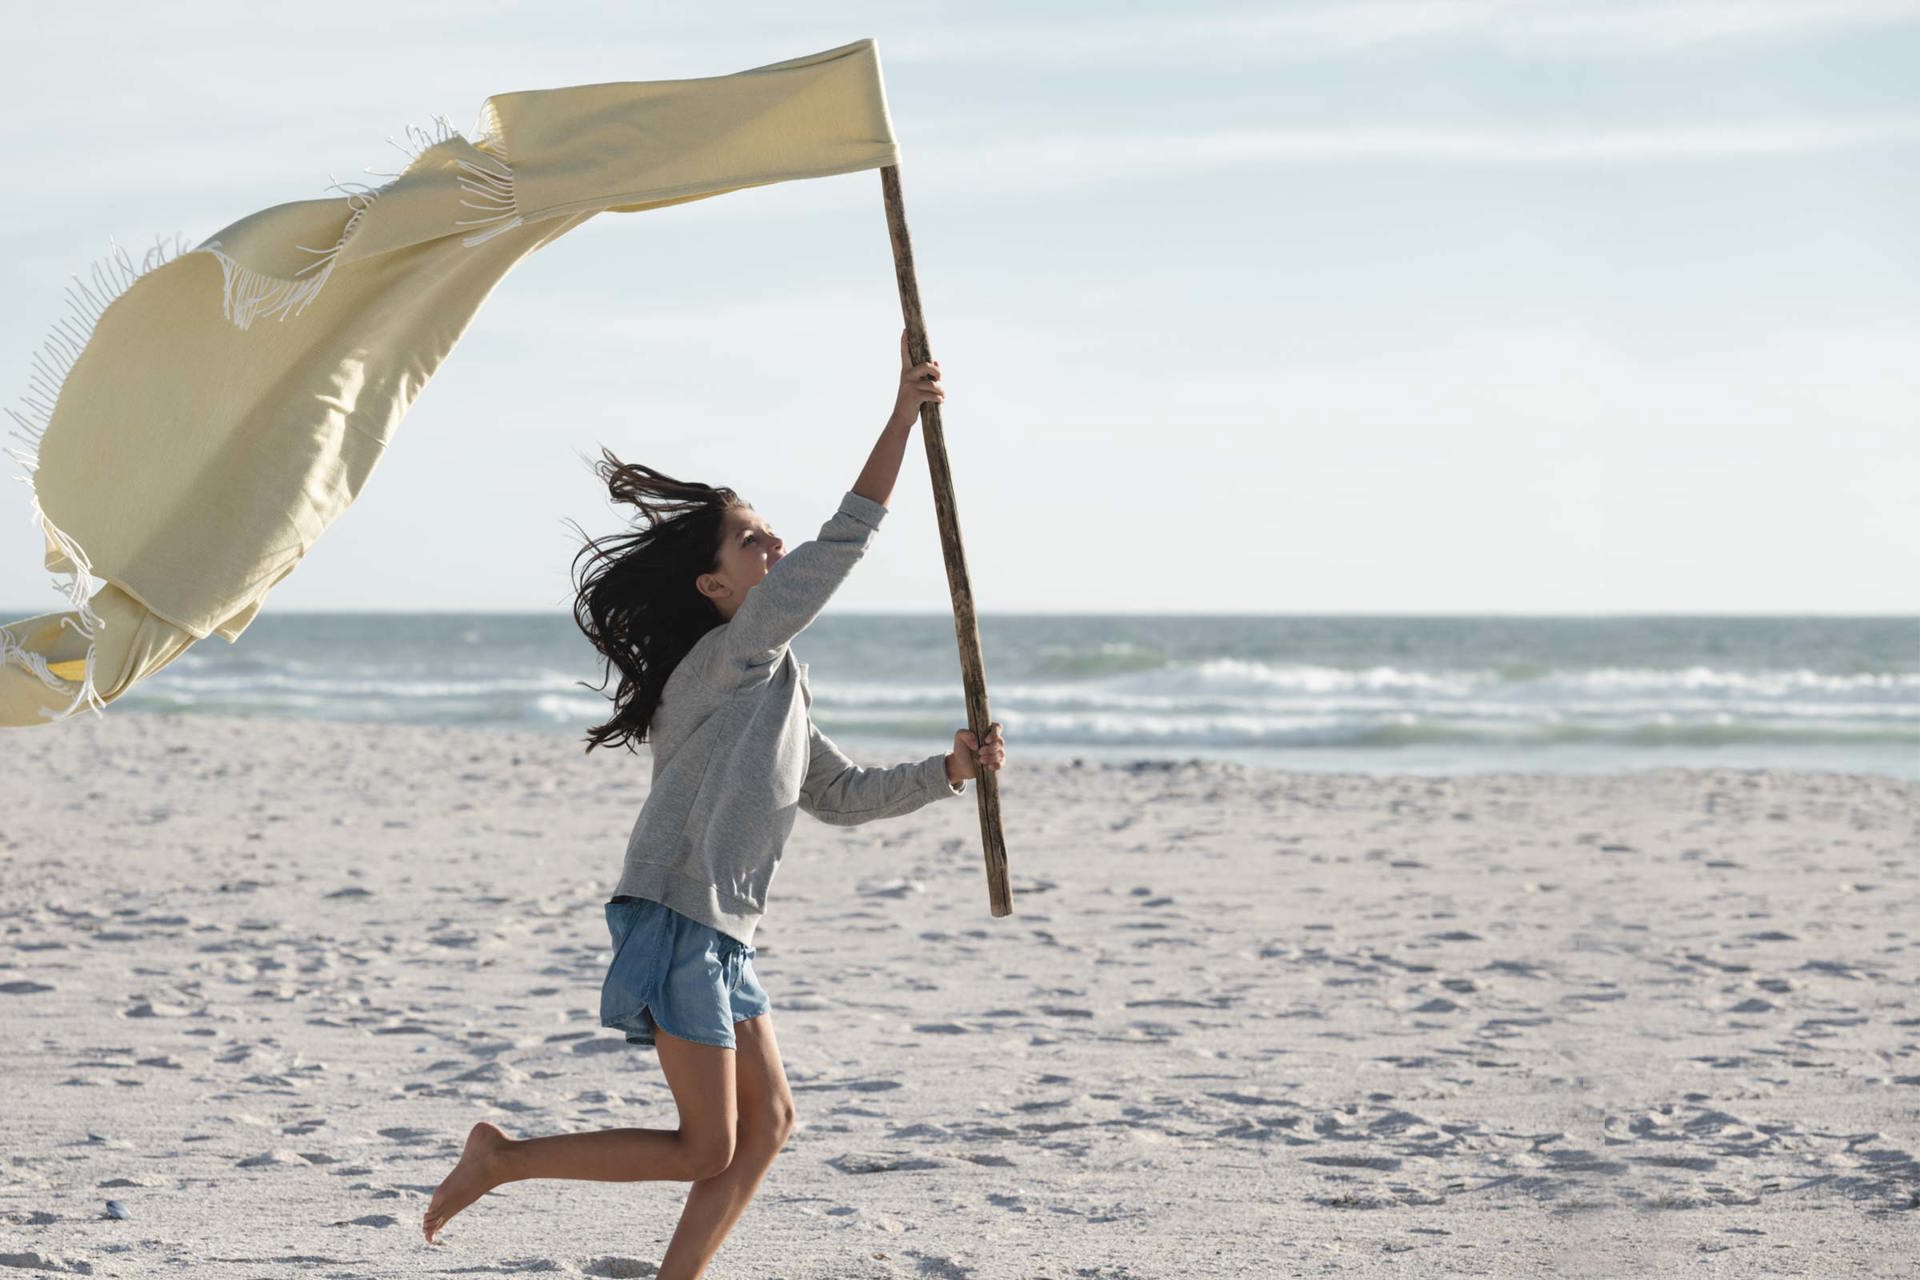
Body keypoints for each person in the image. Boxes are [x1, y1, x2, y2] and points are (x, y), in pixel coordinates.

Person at [421, 331, 1007, 1279]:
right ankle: (501, 1159)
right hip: (676, 912)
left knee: (767, 1123)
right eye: (751, 540)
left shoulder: (776, 679)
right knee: (706, 1146)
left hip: (722, 930)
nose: (773, 545)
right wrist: (902, 418)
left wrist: (948, 772)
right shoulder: (725, 659)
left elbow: (837, 795)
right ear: (715, 587)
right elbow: (839, 546)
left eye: (767, 531)